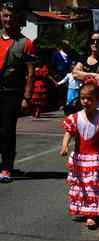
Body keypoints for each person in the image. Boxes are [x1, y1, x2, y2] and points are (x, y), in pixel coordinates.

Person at [60, 78, 99, 229]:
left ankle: (92, 214)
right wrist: (64, 145)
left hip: (95, 159)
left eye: (89, 98)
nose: (85, 101)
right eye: (82, 98)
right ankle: (88, 213)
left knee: (93, 187)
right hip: (80, 159)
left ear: (98, 100)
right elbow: (69, 132)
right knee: (83, 187)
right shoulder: (75, 117)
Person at [0, 0, 35, 183]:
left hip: (12, 93)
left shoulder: (25, 43)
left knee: (6, 131)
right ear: (0, 16)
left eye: (12, 16)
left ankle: (6, 168)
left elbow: (31, 73)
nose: (8, 19)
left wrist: (27, 98)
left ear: (17, 19)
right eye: (5, 15)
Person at [73, 30, 99, 112]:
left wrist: (83, 74)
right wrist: (95, 75)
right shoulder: (84, 57)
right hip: (85, 100)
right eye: (92, 41)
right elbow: (75, 74)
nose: (95, 43)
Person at [50, 39, 75, 108]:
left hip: (68, 73)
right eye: (67, 45)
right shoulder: (56, 54)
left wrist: (73, 66)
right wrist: (55, 73)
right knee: (60, 89)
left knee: (68, 88)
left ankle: (66, 103)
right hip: (60, 74)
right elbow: (52, 64)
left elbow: (73, 61)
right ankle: (61, 103)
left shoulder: (70, 53)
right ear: (63, 46)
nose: (69, 47)